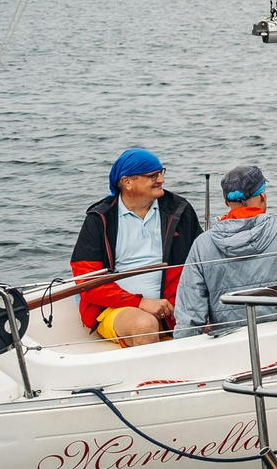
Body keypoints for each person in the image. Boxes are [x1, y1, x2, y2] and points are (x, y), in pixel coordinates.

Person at [175, 164, 277, 334]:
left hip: (230, 341)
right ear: (263, 196)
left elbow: (189, 315)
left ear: (226, 202)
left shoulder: (202, 245)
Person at [72, 148, 203, 346]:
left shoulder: (180, 209)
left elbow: (201, 259)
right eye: (152, 175)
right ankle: (154, 378)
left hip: (173, 306)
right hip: (114, 309)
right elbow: (87, 282)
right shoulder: (99, 219)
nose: (161, 180)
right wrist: (140, 303)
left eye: (161, 172)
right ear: (127, 182)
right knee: (145, 325)